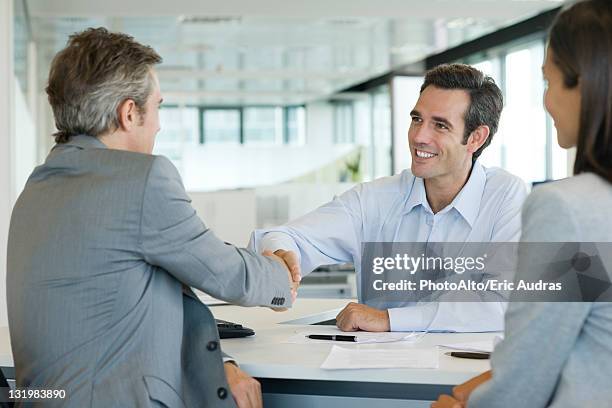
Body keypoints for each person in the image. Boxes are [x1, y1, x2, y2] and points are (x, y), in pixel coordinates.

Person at [7, 28, 300, 408]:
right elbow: (226, 274)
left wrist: (221, 362)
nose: (159, 124)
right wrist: (280, 273)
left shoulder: (37, 188)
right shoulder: (140, 179)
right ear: (129, 113)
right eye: (158, 106)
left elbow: (143, 293)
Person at [250, 63, 527, 333]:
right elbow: (284, 236)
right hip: (376, 373)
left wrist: (389, 319)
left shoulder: (505, 197)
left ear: (476, 138)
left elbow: (506, 302)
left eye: (440, 126)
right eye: (417, 119)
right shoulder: (375, 199)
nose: (419, 136)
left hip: (464, 373)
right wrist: (280, 262)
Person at [432, 0, 612, 406]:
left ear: (584, 84)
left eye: (549, 82)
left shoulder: (567, 209)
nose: (546, 103)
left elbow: (524, 384)